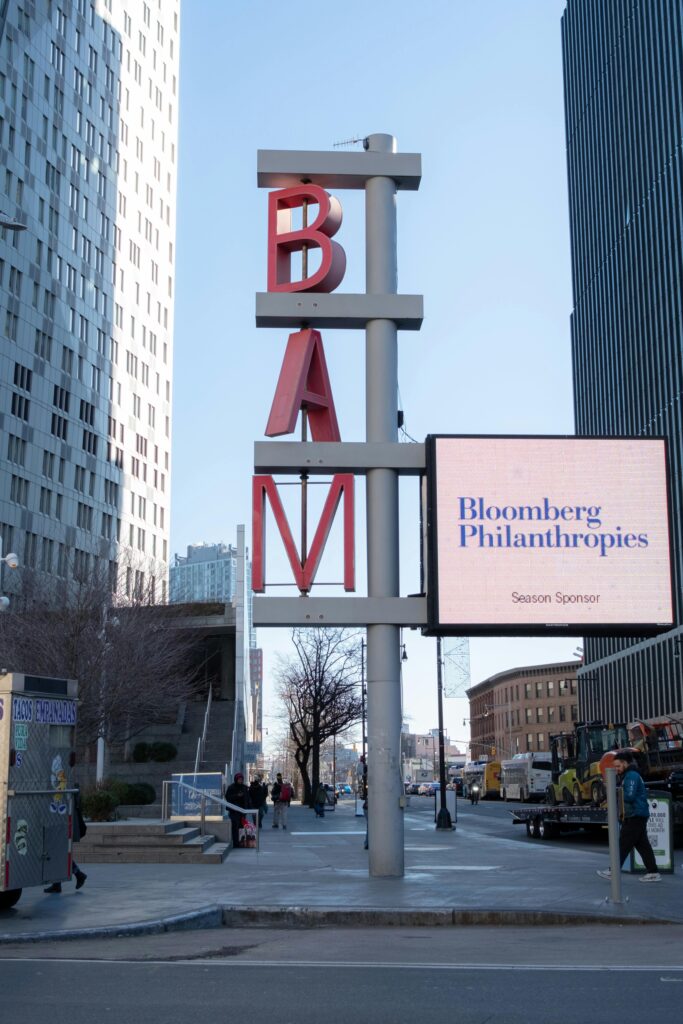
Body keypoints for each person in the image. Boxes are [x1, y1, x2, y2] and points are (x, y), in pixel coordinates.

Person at [596, 750, 661, 883]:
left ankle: (613, 871)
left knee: (623, 843)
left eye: (618, 766)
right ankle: (653, 872)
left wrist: (612, 790)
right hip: (638, 814)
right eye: (615, 767)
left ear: (625, 763)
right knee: (643, 845)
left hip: (635, 815)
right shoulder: (630, 774)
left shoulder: (631, 775)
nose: (616, 769)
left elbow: (629, 796)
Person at [44, 785, 87, 893]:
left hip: (62, 824)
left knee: (59, 853)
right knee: (58, 853)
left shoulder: (66, 787)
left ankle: (78, 875)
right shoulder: (66, 786)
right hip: (61, 823)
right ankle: (58, 883)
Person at [225, 772, 251, 848]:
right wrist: (237, 796)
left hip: (242, 811)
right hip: (234, 811)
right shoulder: (231, 787)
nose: (240, 781)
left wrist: (249, 808)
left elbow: (247, 798)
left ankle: (241, 842)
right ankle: (235, 843)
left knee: (241, 826)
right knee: (235, 827)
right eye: (239, 779)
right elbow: (228, 798)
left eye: (241, 779)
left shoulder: (244, 787)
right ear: (236, 779)